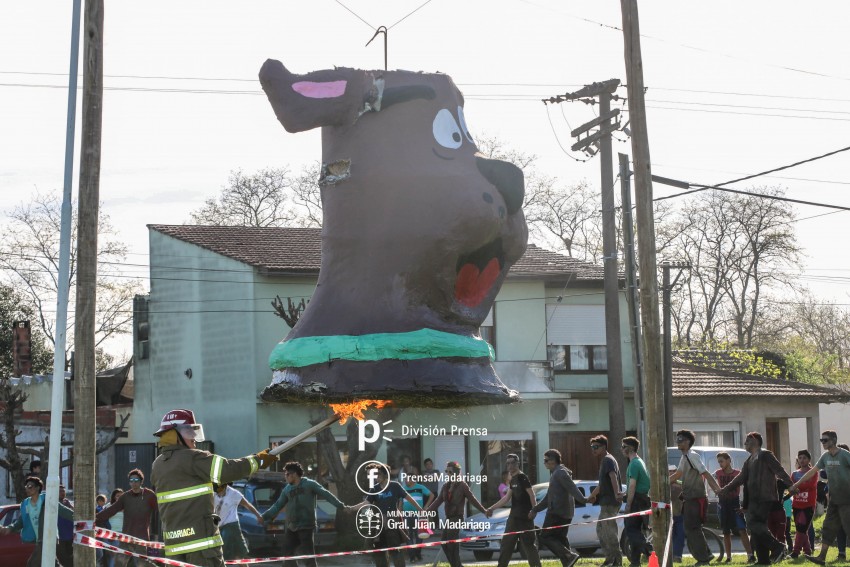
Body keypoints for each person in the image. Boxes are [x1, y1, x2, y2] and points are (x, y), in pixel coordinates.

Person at [150, 408, 277, 567]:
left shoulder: (157, 465)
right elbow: (228, 469)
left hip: (174, 547)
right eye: (190, 432)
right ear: (174, 435)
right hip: (202, 546)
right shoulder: (193, 458)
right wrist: (259, 461)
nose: (195, 438)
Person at [719, 431, 793, 565]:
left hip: (765, 497)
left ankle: (778, 546)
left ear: (754, 440)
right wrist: (726, 489)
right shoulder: (749, 461)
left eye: (747, 441)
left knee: (754, 523)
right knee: (756, 529)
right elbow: (741, 478)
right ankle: (763, 560)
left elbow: (779, 470)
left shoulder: (766, 455)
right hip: (753, 499)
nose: (745, 444)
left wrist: (790, 485)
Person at [262, 461, 347, 567]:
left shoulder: (309, 484)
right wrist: (264, 517)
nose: (286, 477)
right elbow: (277, 505)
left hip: (306, 525)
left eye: (287, 474)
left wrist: (341, 507)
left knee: (308, 556)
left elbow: (327, 495)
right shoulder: (287, 489)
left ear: (294, 474)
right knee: (288, 554)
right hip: (292, 526)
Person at [788, 430, 850, 565]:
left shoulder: (845, 455)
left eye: (825, 440)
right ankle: (821, 557)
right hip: (834, 499)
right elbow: (812, 472)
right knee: (828, 527)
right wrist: (796, 484)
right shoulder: (825, 457)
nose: (823, 443)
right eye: (822, 440)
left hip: (847, 499)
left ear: (833, 440)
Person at [669, 429, 723, 566]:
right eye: (677, 439)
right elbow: (678, 474)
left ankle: (703, 559)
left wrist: (717, 489)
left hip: (696, 498)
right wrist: (663, 482)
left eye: (681, 439)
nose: (678, 442)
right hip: (688, 499)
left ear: (688, 442)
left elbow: (706, 473)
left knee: (692, 529)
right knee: (691, 529)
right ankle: (707, 555)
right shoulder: (684, 457)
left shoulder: (692, 456)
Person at [0, 475, 74, 567]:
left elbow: (63, 511)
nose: (27, 488)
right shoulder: (25, 503)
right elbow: (21, 521)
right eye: (26, 487)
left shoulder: (47, 500)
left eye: (30, 486)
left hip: (48, 537)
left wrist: (79, 519)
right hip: (39, 540)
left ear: (38, 488)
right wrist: (8, 529)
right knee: (52, 563)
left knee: (32, 564)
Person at [530, 448, 586, 567]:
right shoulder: (557, 472)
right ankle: (568, 562)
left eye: (545, 460)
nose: (544, 463)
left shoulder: (560, 473)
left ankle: (569, 556)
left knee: (545, 537)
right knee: (561, 539)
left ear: (552, 461)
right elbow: (548, 498)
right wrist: (535, 509)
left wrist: (583, 499)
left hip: (557, 513)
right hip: (564, 512)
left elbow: (572, 488)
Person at [427, 460, 487, 567]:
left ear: (456, 472)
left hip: (457, 518)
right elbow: (438, 500)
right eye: (446, 471)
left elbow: (473, 500)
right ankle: (456, 565)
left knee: (451, 544)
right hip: (449, 518)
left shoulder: (462, 486)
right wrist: (427, 512)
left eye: (450, 472)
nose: (447, 474)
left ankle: (457, 565)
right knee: (444, 543)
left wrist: (484, 511)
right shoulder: (446, 486)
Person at [364, 462, 423, 567]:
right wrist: (351, 508)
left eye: (378, 475)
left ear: (385, 475)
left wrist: (420, 509)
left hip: (393, 523)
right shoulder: (374, 489)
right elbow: (366, 503)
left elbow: (408, 498)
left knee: (396, 550)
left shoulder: (395, 486)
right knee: (378, 550)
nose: (376, 477)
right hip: (379, 524)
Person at [487, 453, 541, 567]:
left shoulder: (522, 477)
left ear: (518, 464)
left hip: (525, 518)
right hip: (513, 518)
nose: (510, 466)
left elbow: (532, 495)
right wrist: (491, 508)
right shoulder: (513, 479)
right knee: (506, 545)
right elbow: (506, 499)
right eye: (508, 463)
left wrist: (534, 510)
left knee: (529, 545)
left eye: (512, 463)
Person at [97, 468, 159, 567]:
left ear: (141, 481)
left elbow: (161, 509)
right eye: (131, 480)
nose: (133, 483)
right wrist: (96, 519)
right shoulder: (125, 497)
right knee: (119, 564)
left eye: (136, 480)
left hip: (141, 538)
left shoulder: (149, 495)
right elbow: (112, 510)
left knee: (141, 564)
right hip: (126, 537)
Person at [587, 435, 624, 567]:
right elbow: (602, 484)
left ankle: (616, 561)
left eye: (595, 447)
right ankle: (610, 559)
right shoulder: (606, 460)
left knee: (609, 533)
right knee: (601, 531)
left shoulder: (608, 460)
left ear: (603, 447)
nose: (593, 449)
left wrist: (616, 493)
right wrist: (592, 496)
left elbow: (612, 476)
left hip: (610, 503)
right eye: (592, 447)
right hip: (606, 503)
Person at [713, 452, 754, 563]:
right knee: (726, 532)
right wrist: (716, 490)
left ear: (728, 460)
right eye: (718, 462)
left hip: (735, 503)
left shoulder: (737, 473)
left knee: (742, 529)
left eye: (721, 461)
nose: (720, 464)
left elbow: (747, 487)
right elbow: (709, 479)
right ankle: (729, 557)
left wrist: (745, 505)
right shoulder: (718, 473)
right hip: (723, 504)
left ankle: (750, 555)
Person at [621, 437, 653, 566]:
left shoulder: (634, 464)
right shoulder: (639, 461)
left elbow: (633, 485)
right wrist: (624, 493)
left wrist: (628, 505)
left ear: (631, 448)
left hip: (637, 500)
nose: (622, 449)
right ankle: (635, 562)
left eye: (624, 446)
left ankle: (647, 547)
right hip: (642, 498)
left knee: (630, 529)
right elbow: (634, 485)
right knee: (635, 530)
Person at [214, 482, 262, 560]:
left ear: (225, 486)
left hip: (231, 526)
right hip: (219, 526)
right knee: (236, 556)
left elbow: (247, 504)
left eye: (219, 490)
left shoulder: (234, 494)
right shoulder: (214, 493)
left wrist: (258, 516)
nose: (218, 493)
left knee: (232, 554)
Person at [790, 450, 818, 557]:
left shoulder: (813, 472)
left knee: (801, 528)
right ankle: (807, 551)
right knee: (801, 529)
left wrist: (796, 486)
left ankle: (795, 551)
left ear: (809, 460)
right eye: (800, 458)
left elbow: (810, 485)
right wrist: (794, 488)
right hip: (796, 505)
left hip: (808, 505)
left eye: (804, 458)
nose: (802, 460)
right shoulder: (795, 473)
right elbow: (791, 487)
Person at [402, 470, 434, 562]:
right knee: (408, 536)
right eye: (405, 479)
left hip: (419, 515)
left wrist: (426, 507)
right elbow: (400, 501)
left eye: (407, 479)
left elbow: (431, 495)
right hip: (406, 515)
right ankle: (412, 556)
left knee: (420, 535)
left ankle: (417, 553)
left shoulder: (420, 487)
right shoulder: (403, 489)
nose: (406, 480)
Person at [669, 465, 685, 563]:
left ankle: (677, 556)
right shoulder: (663, 484)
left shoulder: (681, 484)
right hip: (668, 515)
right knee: (670, 537)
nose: (672, 473)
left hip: (679, 514)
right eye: (670, 471)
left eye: (674, 471)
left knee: (680, 535)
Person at [57, 484, 75, 567]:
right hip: (60, 536)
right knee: (62, 558)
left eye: (63, 491)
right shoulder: (54, 503)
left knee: (70, 557)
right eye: (60, 491)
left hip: (70, 535)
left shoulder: (67, 502)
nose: (62, 493)